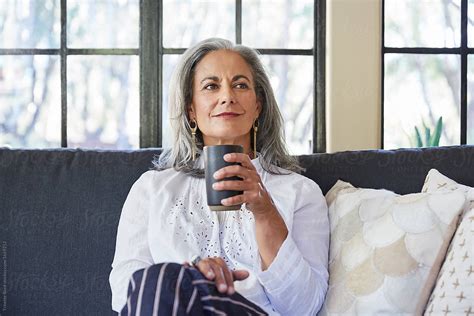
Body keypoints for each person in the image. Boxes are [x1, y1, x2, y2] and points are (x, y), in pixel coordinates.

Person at [109, 38, 329, 316]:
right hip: (171, 307)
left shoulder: (300, 192)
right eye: (211, 86)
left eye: (240, 85)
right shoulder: (152, 189)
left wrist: (265, 212)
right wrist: (191, 279)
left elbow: (305, 308)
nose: (227, 96)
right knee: (165, 282)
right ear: (191, 110)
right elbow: (124, 293)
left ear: (258, 106)